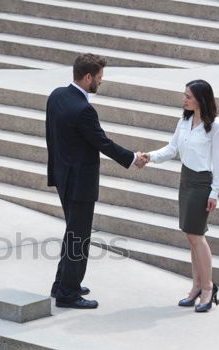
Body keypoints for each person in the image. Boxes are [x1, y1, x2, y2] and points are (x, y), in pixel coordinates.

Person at [47, 53, 147, 309]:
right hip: (80, 182)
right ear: (88, 76)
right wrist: (132, 158)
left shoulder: (57, 95)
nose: (101, 82)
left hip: (62, 176)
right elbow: (103, 143)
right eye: (100, 77)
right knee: (79, 236)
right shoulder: (84, 110)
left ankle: (62, 283)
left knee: (72, 232)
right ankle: (67, 293)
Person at [141, 80, 219, 312]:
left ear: (201, 99)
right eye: (185, 95)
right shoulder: (185, 121)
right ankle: (196, 285)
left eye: (188, 96)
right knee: (191, 236)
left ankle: (208, 288)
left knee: (197, 236)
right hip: (186, 180)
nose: (185, 99)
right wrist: (149, 156)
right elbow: (171, 149)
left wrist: (215, 191)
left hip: (202, 183)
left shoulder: (216, 127)